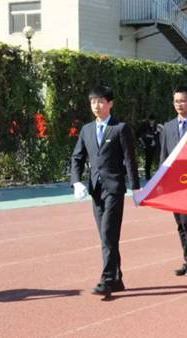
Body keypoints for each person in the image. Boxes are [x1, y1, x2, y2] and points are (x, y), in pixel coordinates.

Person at [70, 85, 140, 298]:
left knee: (109, 233)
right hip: (95, 190)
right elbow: (77, 157)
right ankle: (117, 278)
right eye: (93, 102)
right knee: (106, 235)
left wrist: (135, 188)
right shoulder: (87, 130)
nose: (96, 106)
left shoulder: (121, 128)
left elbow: (130, 160)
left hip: (114, 188)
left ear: (110, 103)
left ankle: (107, 280)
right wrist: (76, 181)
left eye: (100, 101)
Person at [160, 86, 187, 278]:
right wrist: (161, 181)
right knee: (180, 224)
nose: (179, 104)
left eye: (183, 101)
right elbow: (164, 155)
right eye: (176, 101)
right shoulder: (167, 127)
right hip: (173, 184)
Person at [137, 116, 160, 180]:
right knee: (148, 160)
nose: (152, 122)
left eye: (153, 121)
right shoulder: (145, 126)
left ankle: (155, 173)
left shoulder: (156, 126)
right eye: (151, 121)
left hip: (155, 146)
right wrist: (143, 144)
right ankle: (147, 175)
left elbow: (158, 134)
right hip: (147, 146)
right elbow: (139, 135)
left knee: (154, 159)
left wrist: (155, 139)